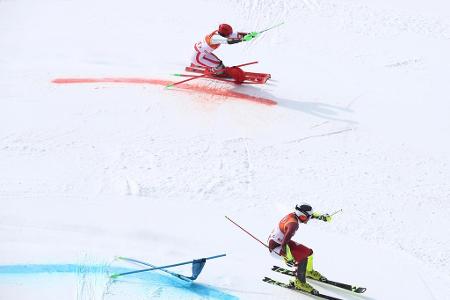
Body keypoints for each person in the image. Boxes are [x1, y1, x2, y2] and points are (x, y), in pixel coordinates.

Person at [268, 203, 332, 293]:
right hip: (277, 248)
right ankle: (300, 283)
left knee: (309, 253)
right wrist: (289, 258)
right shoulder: (293, 225)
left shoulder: (296, 216)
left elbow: (310, 214)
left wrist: (321, 217)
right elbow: (284, 244)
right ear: (302, 216)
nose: (309, 219)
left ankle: (308, 271)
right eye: (308, 217)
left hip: (281, 242)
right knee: (302, 258)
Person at [191, 24, 258, 82]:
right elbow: (229, 41)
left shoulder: (218, 32)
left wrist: (249, 34)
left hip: (203, 54)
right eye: (228, 34)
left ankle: (213, 69)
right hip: (198, 58)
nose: (230, 35)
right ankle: (214, 73)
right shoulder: (216, 38)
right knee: (219, 65)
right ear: (224, 34)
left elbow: (235, 35)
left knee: (219, 63)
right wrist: (243, 39)